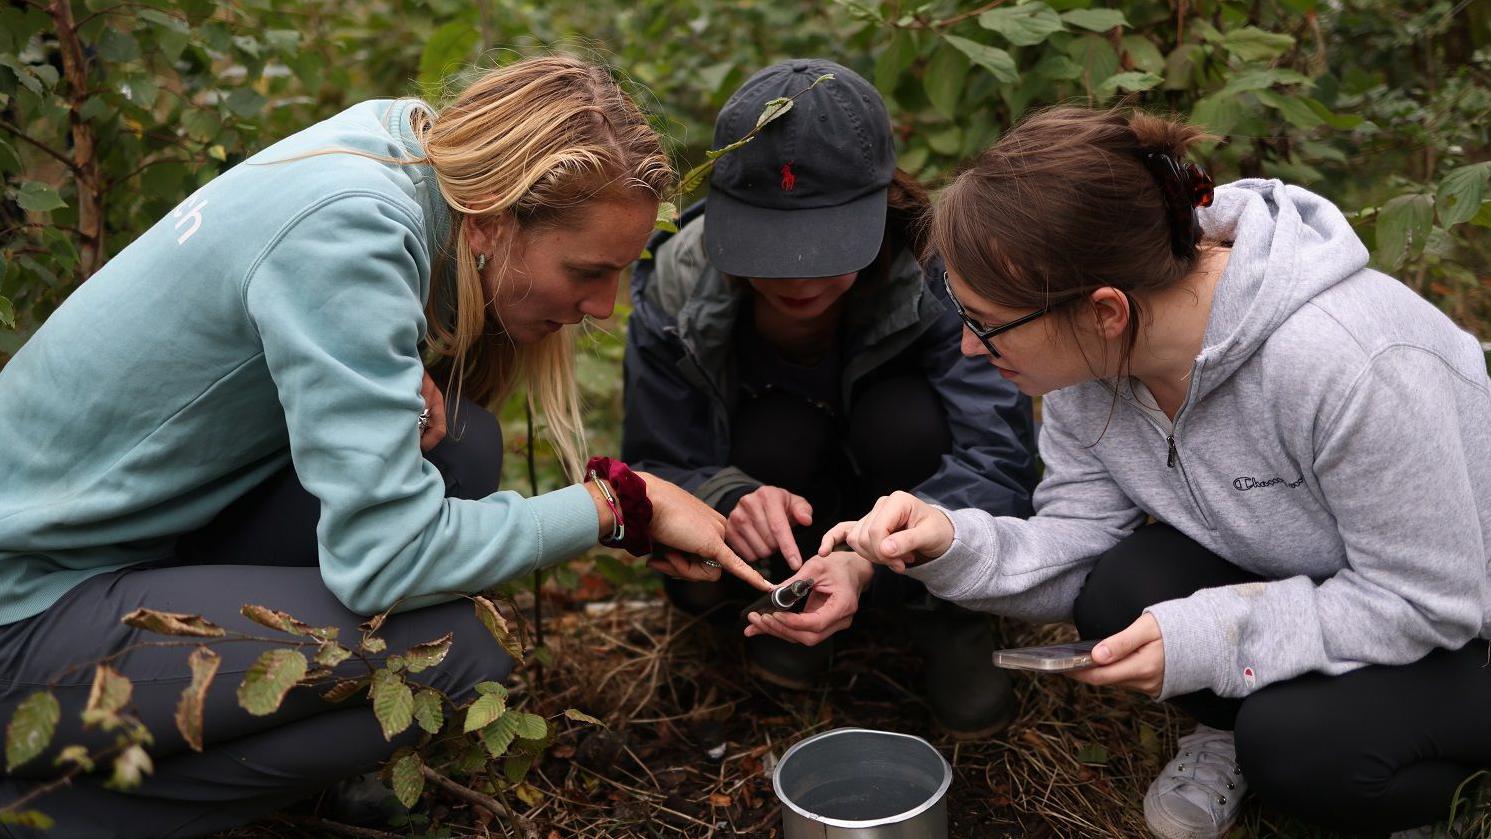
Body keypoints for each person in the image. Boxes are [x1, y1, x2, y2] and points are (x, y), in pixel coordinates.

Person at [0, 56, 769, 839]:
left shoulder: (400, 148)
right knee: (456, 653)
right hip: (23, 617)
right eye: (586, 271)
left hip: (117, 552)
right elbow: (385, 560)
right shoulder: (349, 230)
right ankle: (56, 815)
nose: (604, 307)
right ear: (489, 222)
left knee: (460, 449)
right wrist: (615, 506)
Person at [754, 106, 1491, 838]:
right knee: (1120, 589)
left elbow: (1429, 597)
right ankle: (1245, 717)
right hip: (1330, 582)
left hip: (1462, 625)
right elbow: (1078, 540)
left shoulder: (1348, 363)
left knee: (1295, 747)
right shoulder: (1092, 362)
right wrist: (947, 542)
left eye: (985, 323)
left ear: (1104, 309)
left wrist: (1213, 635)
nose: (971, 350)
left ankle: (1433, 787)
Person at [621, 59, 1038, 739]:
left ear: (878, 206)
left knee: (900, 419)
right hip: (775, 515)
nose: (798, 274)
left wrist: (870, 556)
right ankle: (782, 603)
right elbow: (653, 463)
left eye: (824, 244)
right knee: (774, 436)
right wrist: (726, 498)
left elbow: (998, 462)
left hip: (904, 513)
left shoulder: (942, 270)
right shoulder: (681, 280)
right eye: (769, 245)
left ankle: (947, 618)